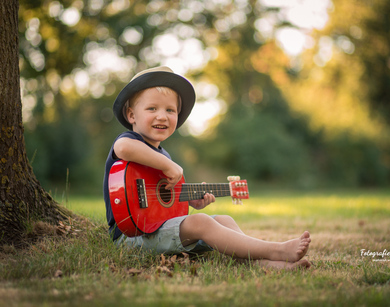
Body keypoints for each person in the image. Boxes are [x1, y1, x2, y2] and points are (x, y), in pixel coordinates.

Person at [103, 66, 311, 270]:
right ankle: (277, 250)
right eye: (152, 108)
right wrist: (170, 165)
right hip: (131, 238)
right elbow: (122, 148)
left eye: (170, 110)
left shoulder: (163, 157)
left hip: (154, 232)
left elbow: (158, 207)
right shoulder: (130, 142)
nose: (162, 116)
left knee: (224, 219)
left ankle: (263, 263)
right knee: (201, 223)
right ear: (131, 115)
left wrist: (189, 199)